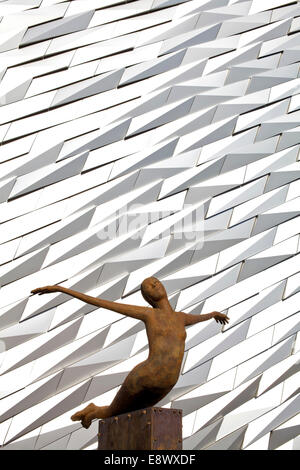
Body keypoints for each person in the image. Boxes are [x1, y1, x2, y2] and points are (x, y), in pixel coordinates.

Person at [31, 277, 229, 428]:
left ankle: (93, 411)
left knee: (132, 415)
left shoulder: (181, 318)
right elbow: (101, 303)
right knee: (118, 413)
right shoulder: (148, 314)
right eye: (148, 287)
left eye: (155, 282)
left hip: (168, 382)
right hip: (145, 376)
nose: (154, 285)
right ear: (148, 297)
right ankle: (93, 411)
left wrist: (213, 314)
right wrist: (61, 289)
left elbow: (201, 317)